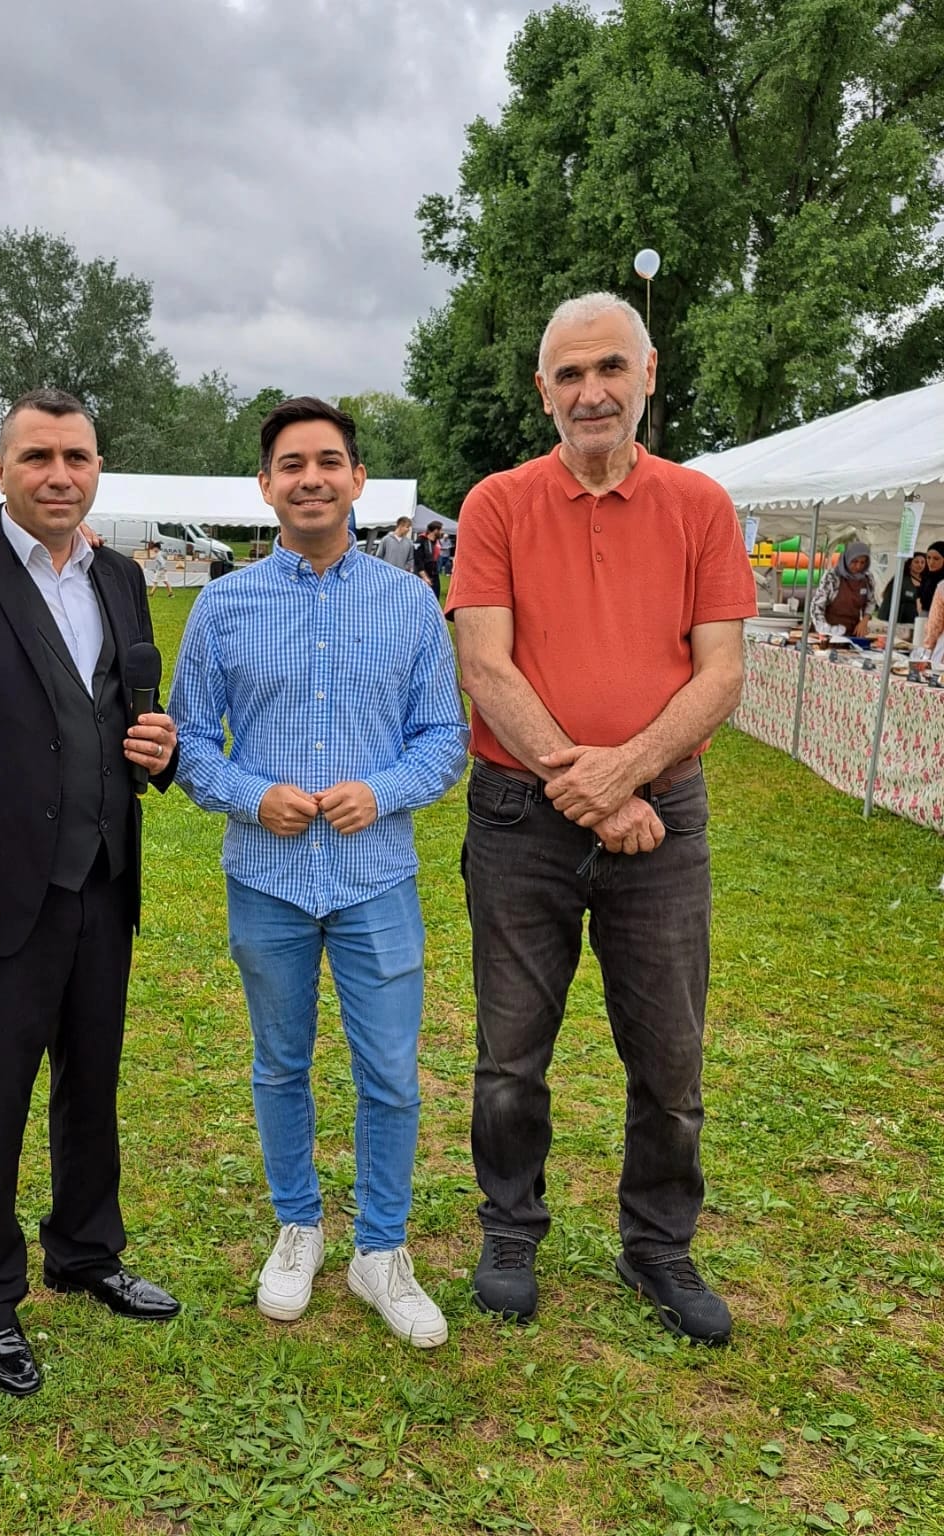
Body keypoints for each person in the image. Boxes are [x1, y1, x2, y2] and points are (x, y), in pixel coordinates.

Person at [446, 293, 756, 1346]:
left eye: (609, 369)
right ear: (543, 390)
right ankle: (510, 1229)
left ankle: (658, 1246)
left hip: (662, 816)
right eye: (570, 375)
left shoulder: (700, 506)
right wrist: (587, 785)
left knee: (670, 1056)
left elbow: (722, 674)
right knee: (510, 1052)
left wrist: (626, 776)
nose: (591, 391)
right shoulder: (495, 504)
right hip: (518, 818)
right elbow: (485, 663)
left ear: (649, 374)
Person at [0, 388, 181, 1398]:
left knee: (90, 1080)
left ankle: (85, 1250)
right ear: (0, 469)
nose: (61, 474)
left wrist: (160, 749)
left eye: (78, 456)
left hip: (102, 875)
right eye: (39, 456)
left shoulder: (123, 575)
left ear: (98, 468)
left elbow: (124, 709)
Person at [169, 397, 468, 1347]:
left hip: (377, 872)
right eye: (292, 464)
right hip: (268, 875)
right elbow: (187, 745)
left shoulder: (409, 602)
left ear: (357, 481)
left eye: (328, 461)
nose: (311, 478)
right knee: (280, 1061)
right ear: (265, 486)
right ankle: (297, 1225)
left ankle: (381, 1248)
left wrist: (379, 790)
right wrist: (251, 794)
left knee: (389, 1072)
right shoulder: (223, 604)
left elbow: (444, 738)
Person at [810, 542, 875, 637]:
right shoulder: (832, 577)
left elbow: (870, 602)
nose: (858, 566)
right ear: (847, 559)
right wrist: (824, 628)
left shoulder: (867, 578)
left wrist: (865, 620)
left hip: (851, 633)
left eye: (862, 562)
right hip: (827, 633)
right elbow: (817, 606)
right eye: (854, 561)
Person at [877, 552, 926, 628]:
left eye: (922, 562)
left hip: (915, 622)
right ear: (910, 564)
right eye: (916, 562)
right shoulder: (900, 580)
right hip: (897, 622)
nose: (920, 565)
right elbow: (888, 599)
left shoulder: (926, 581)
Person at [916, 541, 944, 620]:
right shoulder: (926, 577)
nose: (931, 562)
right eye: (928, 558)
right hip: (924, 618)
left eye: (936, 559)